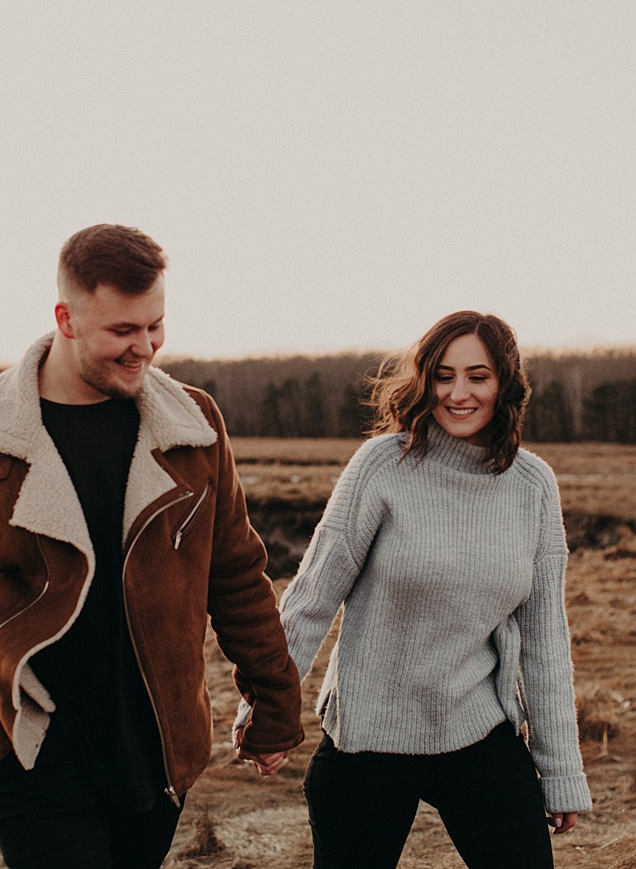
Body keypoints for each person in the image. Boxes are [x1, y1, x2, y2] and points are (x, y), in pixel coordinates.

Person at [0, 223, 304, 869]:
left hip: (158, 753)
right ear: (66, 318)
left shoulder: (193, 429)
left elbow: (236, 574)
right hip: (36, 757)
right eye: (123, 332)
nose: (145, 348)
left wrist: (275, 703)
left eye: (155, 326)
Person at [245, 310, 592, 869]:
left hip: (477, 728)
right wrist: (268, 708)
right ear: (424, 380)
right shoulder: (383, 465)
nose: (459, 393)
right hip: (369, 734)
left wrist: (560, 773)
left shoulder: (533, 486)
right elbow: (312, 597)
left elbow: (545, 641)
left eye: (477, 376)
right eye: (443, 376)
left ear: (504, 383)